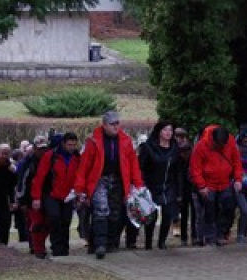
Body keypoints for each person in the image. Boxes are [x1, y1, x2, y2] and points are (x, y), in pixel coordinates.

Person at [74, 111, 144, 259]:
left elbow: (133, 165)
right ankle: (100, 244)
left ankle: (109, 242)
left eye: (118, 123)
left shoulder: (126, 141)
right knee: (101, 210)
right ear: (104, 125)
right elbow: (84, 166)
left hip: (118, 180)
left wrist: (138, 185)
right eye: (112, 124)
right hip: (99, 180)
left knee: (115, 213)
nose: (116, 126)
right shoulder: (93, 141)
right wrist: (80, 189)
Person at [189, 125, 243, 246]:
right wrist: (202, 186)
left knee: (229, 207)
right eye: (218, 145)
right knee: (209, 210)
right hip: (208, 184)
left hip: (225, 183)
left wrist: (238, 179)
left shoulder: (231, 142)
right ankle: (209, 237)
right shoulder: (201, 145)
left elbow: (236, 161)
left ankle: (222, 233)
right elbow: (195, 168)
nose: (221, 147)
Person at [31, 132, 81, 257]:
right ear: (63, 144)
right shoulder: (50, 156)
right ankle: (57, 248)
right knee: (54, 219)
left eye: (74, 145)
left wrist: (79, 193)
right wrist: (36, 197)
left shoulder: (76, 157)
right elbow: (39, 177)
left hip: (68, 195)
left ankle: (64, 248)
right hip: (51, 194)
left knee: (66, 221)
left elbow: (79, 177)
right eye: (69, 145)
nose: (71, 147)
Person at [139, 121, 181, 250]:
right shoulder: (148, 147)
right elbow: (141, 167)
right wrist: (142, 185)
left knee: (168, 213)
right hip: (151, 185)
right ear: (159, 132)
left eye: (170, 130)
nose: (168, 133)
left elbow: (177, 170)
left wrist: (179, 189)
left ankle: (162, 242)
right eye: (165, 130)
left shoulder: (174, 148)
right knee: (151, 216)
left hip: (169, 185)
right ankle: (148, 242)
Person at [16, 136, 50, 258]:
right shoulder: (27, 163)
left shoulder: (50, 160)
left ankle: (38, 244)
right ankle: (37, 248)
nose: (42, 151)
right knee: (37, 222)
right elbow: (21, 183)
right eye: (40, 149)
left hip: (47, 197)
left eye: (44, 149)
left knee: (48, 222)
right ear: (34, 149)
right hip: (30, 199)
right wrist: (22, 202)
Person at [174, 127, 197, 246]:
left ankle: (194, 236)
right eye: (177, 137)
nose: (179, 139)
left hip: (190, 184)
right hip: (179, 186)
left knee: (193, 212)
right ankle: (182, 237)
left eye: (181, 137)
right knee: (181, 213)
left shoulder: (191, 150)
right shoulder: (173, 151)